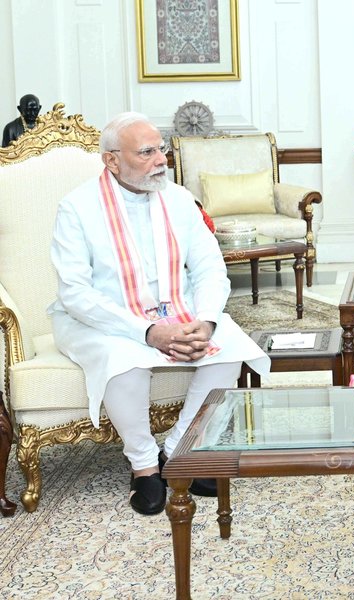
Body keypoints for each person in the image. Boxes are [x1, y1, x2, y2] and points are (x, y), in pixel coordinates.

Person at [49, 112, 270, 516]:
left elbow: (209, 268)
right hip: (100, 317)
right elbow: (76, 294)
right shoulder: (77, 208)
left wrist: (204, 321)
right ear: (112, 160)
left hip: (177, 307)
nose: (161, 160)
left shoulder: (178, 198)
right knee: (122, 360)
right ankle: (144, 467)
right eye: (147, 152)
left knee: (228, 345)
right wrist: (149, 332)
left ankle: (177, 450)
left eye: (161, 149)